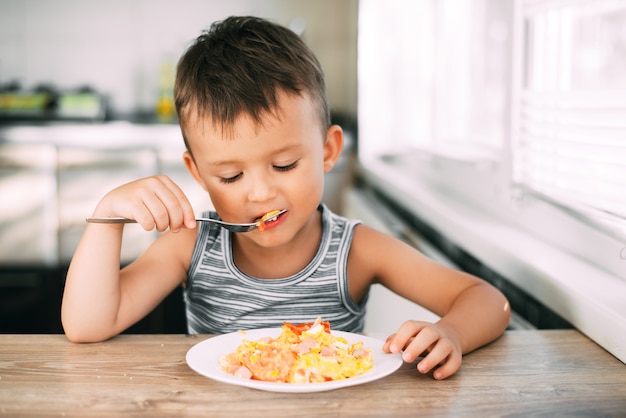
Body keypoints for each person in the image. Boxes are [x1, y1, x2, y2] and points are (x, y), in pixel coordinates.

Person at [61, 15, 510, 380]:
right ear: (198, 173)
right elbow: (87, 325)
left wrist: (449, 332)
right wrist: (107, 217)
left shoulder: (355, 251)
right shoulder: (191, 244)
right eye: (232, 175)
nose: (260, 192)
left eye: (284, 166)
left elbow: (488, 299)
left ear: (328, 151)